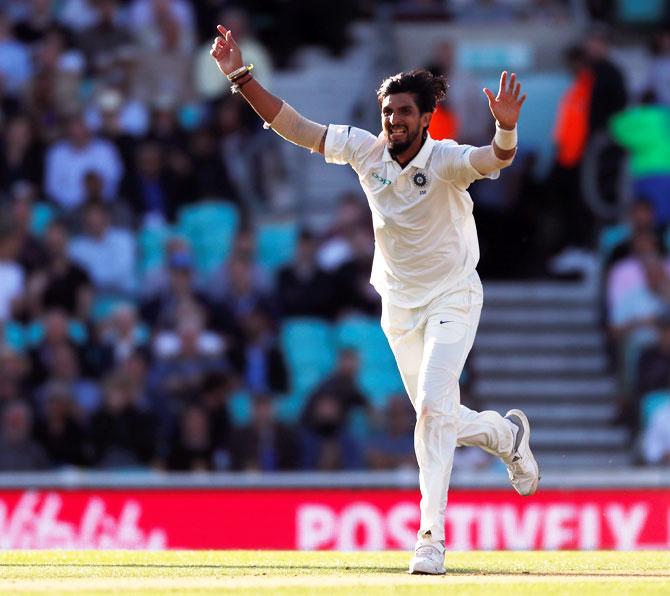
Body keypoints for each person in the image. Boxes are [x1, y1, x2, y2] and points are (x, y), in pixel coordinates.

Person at [210, 23, 539, 574]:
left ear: (426, 117)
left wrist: (505, 131)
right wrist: (240, 77)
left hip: (453, 298)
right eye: (388, 112)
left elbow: (493, 161)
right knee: (436, 416)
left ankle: (429, 539)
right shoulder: (367, 152)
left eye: (404, 113)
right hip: (399, 306)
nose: (394, 122)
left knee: (433, 409)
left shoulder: (445, 160)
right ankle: (505, 434)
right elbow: (295, 127)